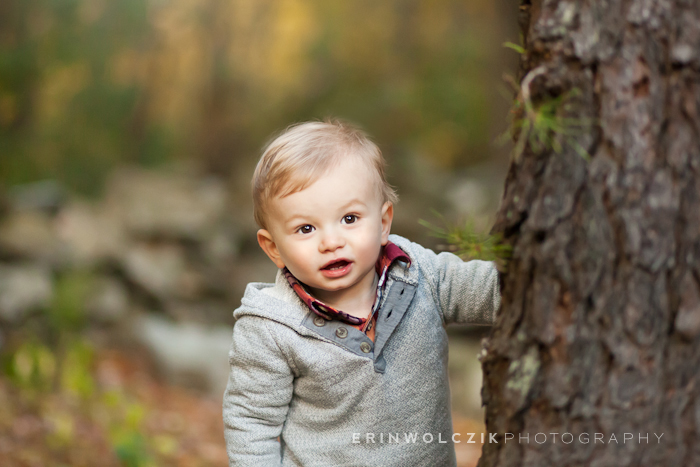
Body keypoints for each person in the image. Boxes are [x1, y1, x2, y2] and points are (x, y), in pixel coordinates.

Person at [222, 119, 501, 466]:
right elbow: (252, 425)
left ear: (383, 223)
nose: (331, 241)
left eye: (350, 219)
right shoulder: (271, 328)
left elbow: (497, 293)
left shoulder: (419, 274)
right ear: (273, 247)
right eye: (306, 228)